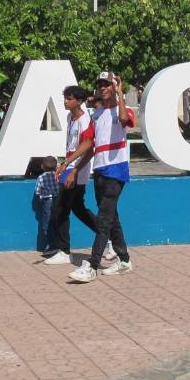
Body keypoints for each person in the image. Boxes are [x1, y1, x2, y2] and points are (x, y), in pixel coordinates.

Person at [70, 72, 134, 282]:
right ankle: (124, 260)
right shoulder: (96, 115)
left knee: (104, 219)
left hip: (116, 170)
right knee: (111, 215)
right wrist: (70, 165)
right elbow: (88, 144)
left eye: (107, 84)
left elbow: (124, 120)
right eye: (100, 84)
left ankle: (92, 265)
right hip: (99, 170)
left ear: (114, 87)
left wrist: (121, 94)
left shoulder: (122, 110)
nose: (102, 87)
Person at [42, 85, 109, 265]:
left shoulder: (85, 120)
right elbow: (72, 148)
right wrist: (64, 164)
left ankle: (64, 251)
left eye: (69, 98)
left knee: (60, 209)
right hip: (69, 166)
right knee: (78, 207)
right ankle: (107, 238)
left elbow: (89, 150)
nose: (65, 101)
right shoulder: (69, 117)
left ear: (79, 101)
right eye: (64, 98)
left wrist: (74, 171)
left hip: (78, 170)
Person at [32, 156, 59, 252]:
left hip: (47, 202)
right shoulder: (58, 175)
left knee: (46, 224)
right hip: (57, 201)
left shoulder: (41, 177)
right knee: (56, 222)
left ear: (42, 167)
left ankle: (51, 246)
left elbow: (37, 191)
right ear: (56, 166)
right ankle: (58, 244)